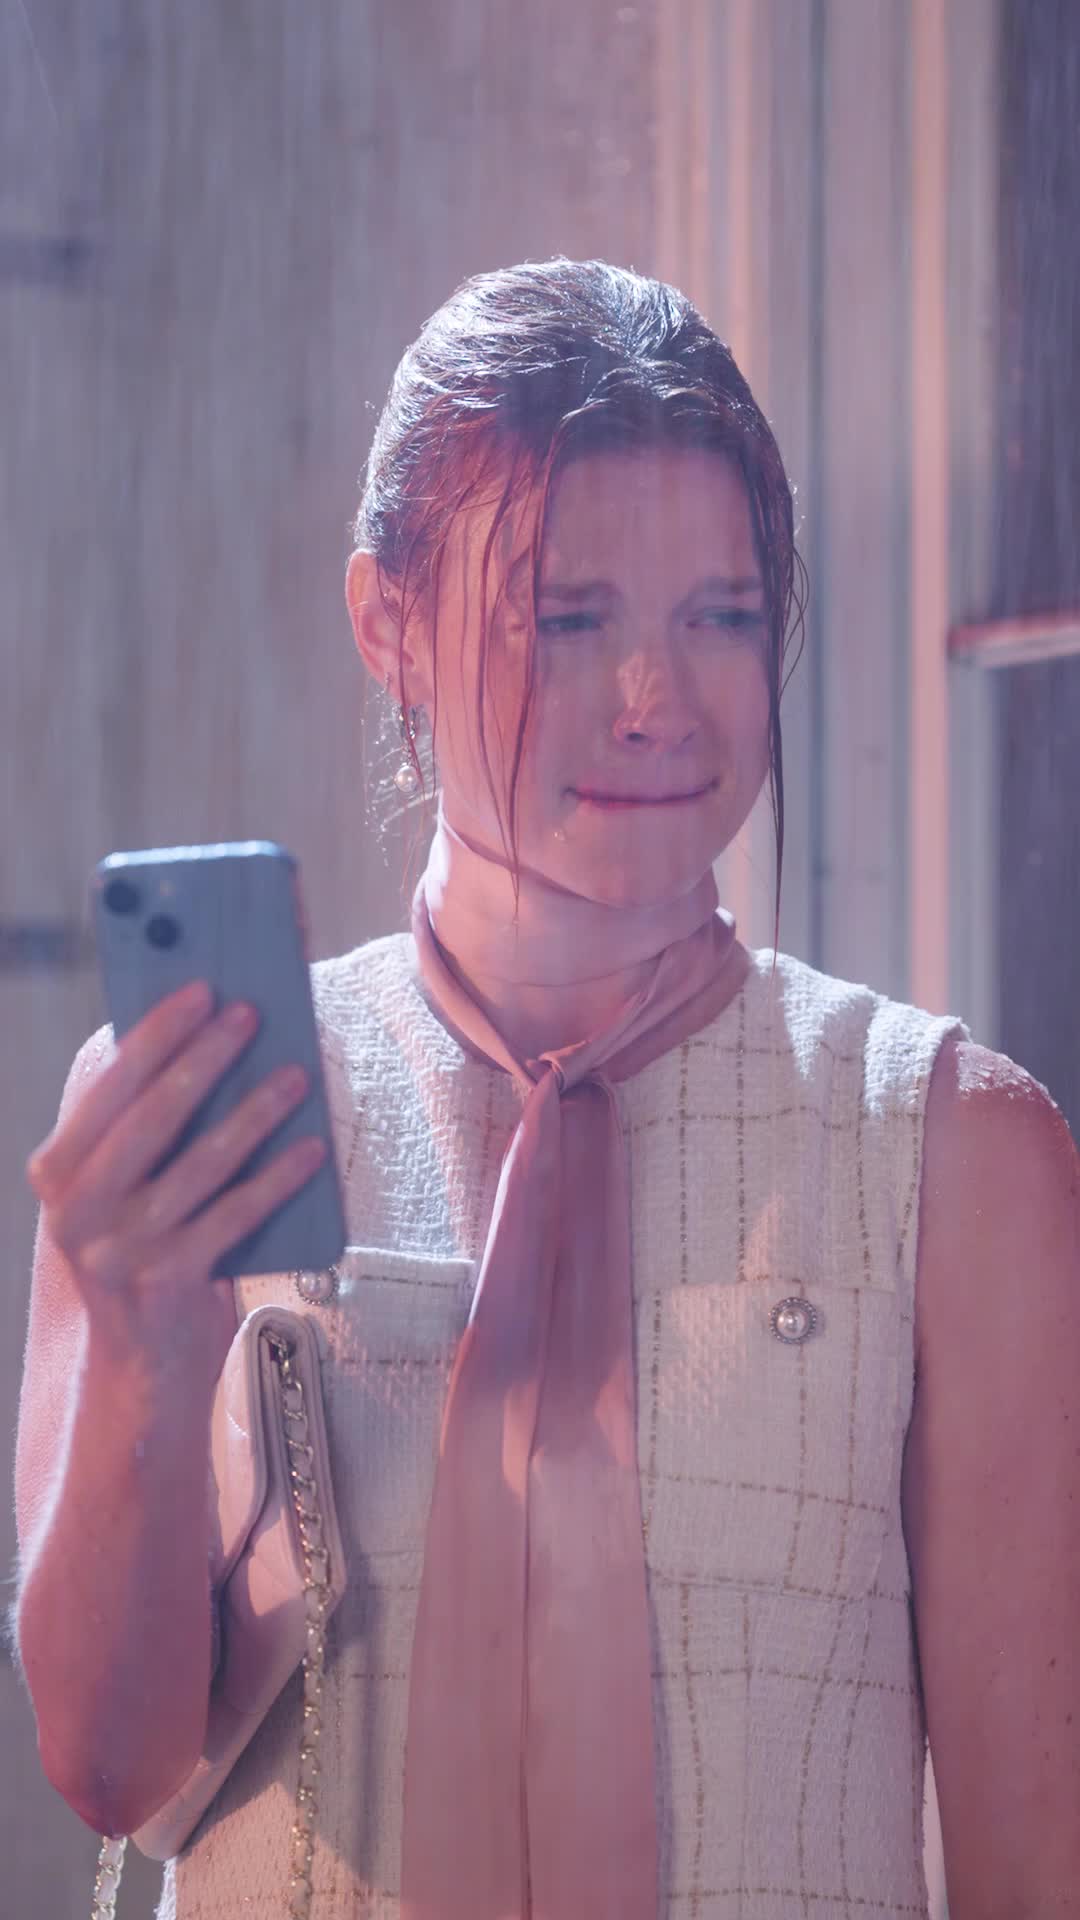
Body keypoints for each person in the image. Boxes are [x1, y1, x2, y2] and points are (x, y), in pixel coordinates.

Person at [12, 257, 1080, 1920]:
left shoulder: (945, 1148)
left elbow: (1038, 1857)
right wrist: (141, 1345)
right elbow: (117, 1770)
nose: (656, 699)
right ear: (390, 626)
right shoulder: (198, 1116)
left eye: (722, 615)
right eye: (571, 618)